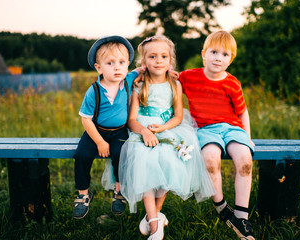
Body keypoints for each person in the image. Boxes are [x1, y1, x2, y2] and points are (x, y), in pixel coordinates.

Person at [117, 35, 216, 240]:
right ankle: (155, 225)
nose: (159, 60)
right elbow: (131, 120)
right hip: (142, 130)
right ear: (144, 62)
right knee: (145, 165)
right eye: (152, 56)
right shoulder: (139, 86)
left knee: (171, 163)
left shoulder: (174, 85)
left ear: (170, 60)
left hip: (168, 127)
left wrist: (162, 128)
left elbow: (178, 116)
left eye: (164, 56)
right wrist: (144, 131)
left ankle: (153, 215)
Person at [179, 30, 256, 240]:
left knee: (245, 161)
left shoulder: (232, 83)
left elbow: (242, 112)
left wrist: (247, 136)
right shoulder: (189, 77)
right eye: (213, 52)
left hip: (232, 128)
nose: (218, 58)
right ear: (204, 53)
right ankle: (221, 206)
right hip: (205, 129)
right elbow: (168, 77)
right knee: (210, 160)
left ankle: (241, 216)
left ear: (231, 59)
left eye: (225, 54)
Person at [73, 35, 140, 219]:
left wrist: (169, 71)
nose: (117, 67)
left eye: (121, 62)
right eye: (110, 63)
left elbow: (143, 70)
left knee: (121, 154)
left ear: (127, 65)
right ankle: (83, 194)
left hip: (119, 131)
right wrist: (100, 142)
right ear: (99, 67)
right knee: (82, 155)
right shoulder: (94, 90)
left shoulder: (127, 81)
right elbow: (86, 120)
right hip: (96, 131)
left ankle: (119, 191)